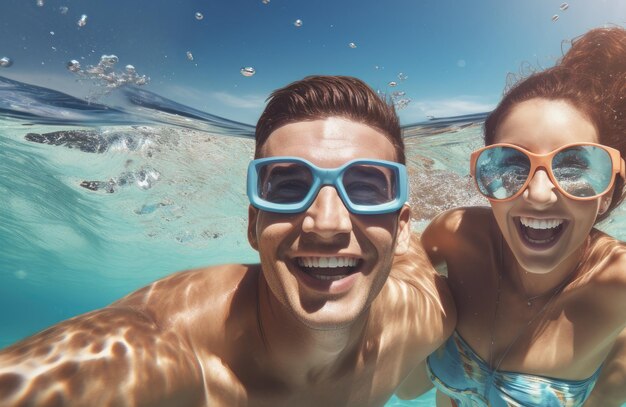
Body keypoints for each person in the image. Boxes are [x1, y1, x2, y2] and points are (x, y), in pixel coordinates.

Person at [0, 75, 455, 406]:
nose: (327, 223)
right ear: (253, 224)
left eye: (366, 188)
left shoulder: (429, 314)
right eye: (290, 185)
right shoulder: (156, 358)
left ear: (401, 228)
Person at [417, 27, 626, 406]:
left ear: (608, 188)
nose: (539, 195)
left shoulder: (618, 286)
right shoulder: (454, 236)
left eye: (574, 165)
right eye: (511, 165)